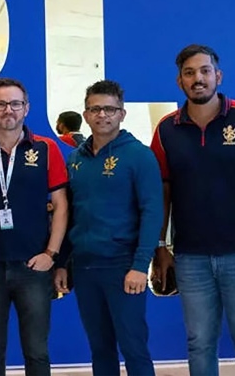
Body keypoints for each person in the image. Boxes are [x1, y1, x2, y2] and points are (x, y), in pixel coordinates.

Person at [150, 44, 235, 376]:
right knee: (199, 343)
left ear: (218, 76)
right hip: (190, 256)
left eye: (205, 71)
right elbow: (162, 191)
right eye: (189, 73)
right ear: (180, 81)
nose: (198, 79)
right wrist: (161, 246)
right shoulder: (166, 130)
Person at [0, 77, 69, 376]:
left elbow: (61, 205)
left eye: (15, 104)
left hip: (34, 266)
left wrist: (51, 253)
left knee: (37, 351)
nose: (8, 110)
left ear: (26, 108)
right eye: (1, 104)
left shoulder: (46, 149)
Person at [54, 80, 163, 376]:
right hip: (85, 268)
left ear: (122, 114)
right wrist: (62, 263)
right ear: (86, 115)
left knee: (134, 347)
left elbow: (152, 213)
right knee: (100, 349)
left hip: (123, 267)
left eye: (110, 109)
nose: (102, 115)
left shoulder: (139, 156)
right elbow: (69, 215)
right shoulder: (75, 159)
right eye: (95, 109)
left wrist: (140, 265)